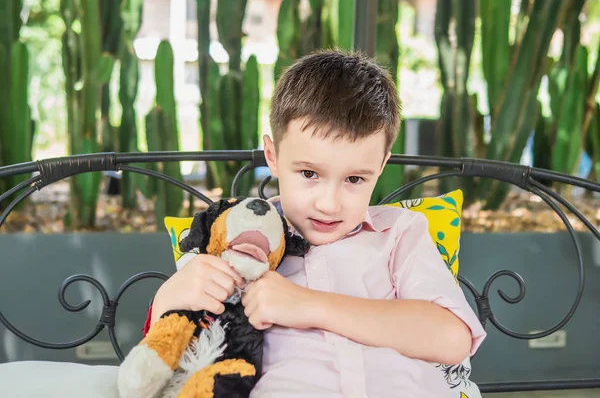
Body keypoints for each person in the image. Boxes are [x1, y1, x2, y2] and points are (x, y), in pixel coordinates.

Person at [143, 49, 486, 397]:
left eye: (354, 180)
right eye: (309, 173)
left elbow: (452, 338)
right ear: (273, 156)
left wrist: (309, 305)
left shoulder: (399, 233)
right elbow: (171, 341)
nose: (330, 203)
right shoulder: (240, 235)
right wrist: (172, 292)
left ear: (381, 166)